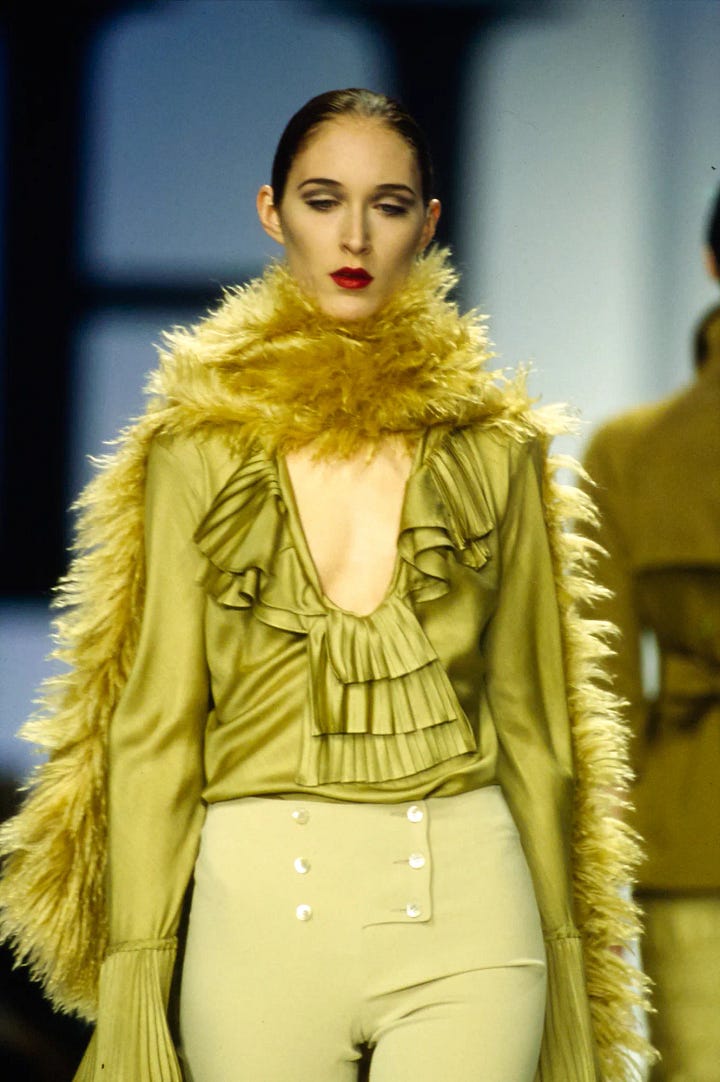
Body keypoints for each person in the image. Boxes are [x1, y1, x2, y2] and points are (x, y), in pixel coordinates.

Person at [0, 89, 650, 1082]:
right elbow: (156, 728)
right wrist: (133, 984)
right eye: (322, 199)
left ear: (428, 223)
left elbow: (538, 732)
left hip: (475, 913)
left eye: (388, 205)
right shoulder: (195, 453)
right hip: (258, 925)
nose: (354, 236)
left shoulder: (498, 453)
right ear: (272, 212)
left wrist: (577, 986)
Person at [583, 244, 720, 1082]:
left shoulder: (633, 450)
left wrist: (595, 871)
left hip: (691, 830)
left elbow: (605, 691)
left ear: (707, 261)